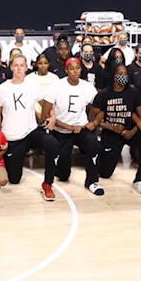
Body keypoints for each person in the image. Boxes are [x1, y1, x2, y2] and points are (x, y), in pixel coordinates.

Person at [0, 54, 57, 196]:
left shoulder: (33, 85)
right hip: (12, 136)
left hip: (31, 132)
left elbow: (44, 103)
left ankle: (47, 184)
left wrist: (53, 116)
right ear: (11, 67)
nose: (19, 68)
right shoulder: (2, 88)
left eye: (22, 65)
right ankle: (0, 167)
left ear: (26, 67)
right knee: (14, 179)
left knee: (52, 143)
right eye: (16, 65)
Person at [91, 63, 141, 195]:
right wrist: (111, 126)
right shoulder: (104, 94)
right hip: (111, 133)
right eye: (120, 74)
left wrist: (132, 131)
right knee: (105, 173)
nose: (123, 77)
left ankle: (140, 180)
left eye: (125, 74)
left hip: (131, 131)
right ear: (113, 75)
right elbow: (93, 119)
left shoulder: (134, 92)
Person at [42, 58, 101, 193]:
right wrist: (69, 127)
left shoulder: (87, 86)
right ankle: (60, 170)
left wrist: (94, 122)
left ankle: (92, 182)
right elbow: (45, 114)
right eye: (72, 69)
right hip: (61, 130)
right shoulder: (56, 86)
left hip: (81, 128)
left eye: (78, 68)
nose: (75, 71)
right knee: (63, 175)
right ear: (66, 70)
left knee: (93, 144)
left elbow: (100, 107)